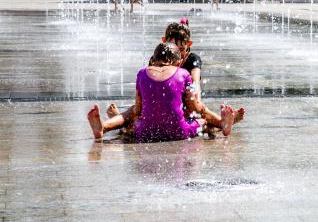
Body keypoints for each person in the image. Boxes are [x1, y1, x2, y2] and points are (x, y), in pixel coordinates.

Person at [100, 21, 244, 138]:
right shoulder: (158, 61)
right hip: (172, 116)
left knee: (133, 122)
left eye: (181, 50)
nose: (177, 55)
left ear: (188, 46)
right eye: (174, 48)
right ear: (164, 42)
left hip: (185, 106)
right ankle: (223, 123)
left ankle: (116, 121)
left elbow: (196, 91)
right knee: (204, 125)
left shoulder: (191, 61)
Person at [88, 43, 237, 142]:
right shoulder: (183, 73)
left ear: (153, 60)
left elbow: (138, 110)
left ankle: (104, 127)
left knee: (133, 122)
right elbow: (194, 108)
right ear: (177, 62)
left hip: (146, 133)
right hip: (178, 132)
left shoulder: (142, 73)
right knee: (203, 122)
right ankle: (222, 124)